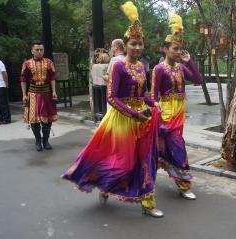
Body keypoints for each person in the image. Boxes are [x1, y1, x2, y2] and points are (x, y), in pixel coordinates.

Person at [62, 1, 164, 218]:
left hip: (142, 120)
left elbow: (141, 95)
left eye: (140, 44)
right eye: (133, 44)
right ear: (125, 45)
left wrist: (152, 102)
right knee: (122, 164)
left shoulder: (142, 65)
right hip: (122, 119)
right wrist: (134, 113)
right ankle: (104, 183)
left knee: (146, 161)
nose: (137, 48)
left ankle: (148, 202)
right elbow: (112, 96)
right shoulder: (118, 65)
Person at [151, 14, 203, 200]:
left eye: (180, 49)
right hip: (165, 113)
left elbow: (198, 80)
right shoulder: (159, 69)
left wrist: (189, 61)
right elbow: (152, 94)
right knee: (167, 147)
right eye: (175, 49)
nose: (178, 52)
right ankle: (152, 181)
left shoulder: (181, 68)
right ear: (165, 49)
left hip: (179, 113)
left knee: (172, 146)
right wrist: (155, 106)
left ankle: (179, 184)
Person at [20, 40, 58, 151]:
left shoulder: (49, 62)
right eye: (37, 50)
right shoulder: (26, 64)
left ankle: (45, 141)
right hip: (32, 94)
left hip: (46, 94)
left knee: (48, 119)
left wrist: (54, 91)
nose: (40, 52)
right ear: (32, 51)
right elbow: (23, 79)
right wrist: (24, 94)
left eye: (41, 49)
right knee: (34, 120)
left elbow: (53, 77)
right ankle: (38, 141)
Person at [103, 39, 125, 111]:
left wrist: (104, 77)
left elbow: (110, 77)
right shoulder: (127, 59)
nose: (111, 48)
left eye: (112, 46)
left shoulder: (114, 60)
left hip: (114, 93)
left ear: (116, 48)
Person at [0, 57, 11, 124]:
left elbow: (4, 73)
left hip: (1, 85)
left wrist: (6, 83)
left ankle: (7, 119)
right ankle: (1, 117)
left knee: (3, 103)